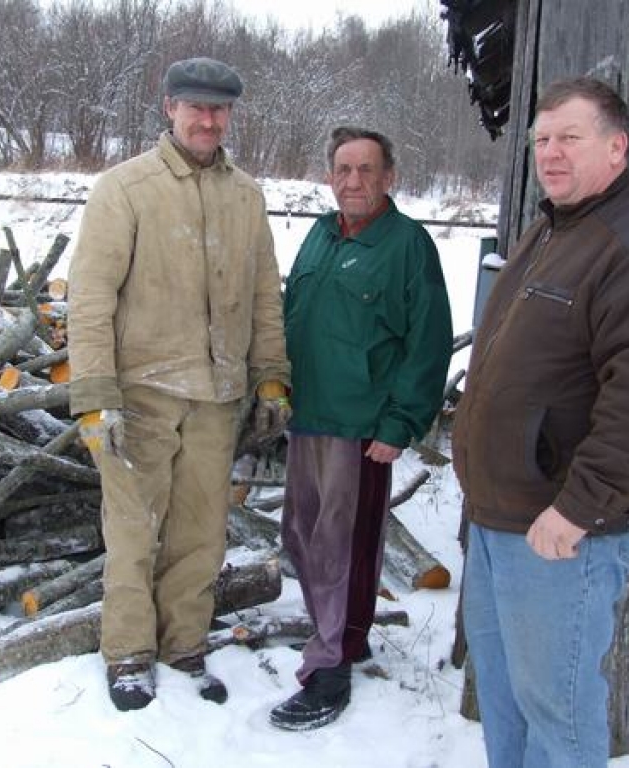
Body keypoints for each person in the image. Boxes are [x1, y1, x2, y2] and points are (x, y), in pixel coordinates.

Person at [452, 76, 629, 767]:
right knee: (504, 698)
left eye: (570, 137)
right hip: (502, 518)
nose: (550, 153)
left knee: (557, 714)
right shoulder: (552, 230)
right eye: (541, 140)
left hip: (562, 530)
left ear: (616, 147)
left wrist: (577, 507)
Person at [66, 56, 291, 712]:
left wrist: (271, 378)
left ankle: (184, 644)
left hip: (218, 397)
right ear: (169, 107)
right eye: (195, 106)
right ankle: (130, 652)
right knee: (134, 530)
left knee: (202, 531)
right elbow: (90, 298)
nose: (207, 118)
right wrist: (95, 394)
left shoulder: (245, 195)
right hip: (140, 395)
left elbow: (262, 297)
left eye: (219, 109)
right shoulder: (125, 188)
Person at [268, 126, 454, 731]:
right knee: (303, 535)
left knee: (344, 547)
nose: (354, 181)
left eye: (367, 169)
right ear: (330, 177)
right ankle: (343, 630)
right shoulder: (320, 237)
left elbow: (428, 344)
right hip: (310, 417)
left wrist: (401, 422)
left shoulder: (408, 246)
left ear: (389, 177)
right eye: (343, 169)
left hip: (361, 428)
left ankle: (332, 665)